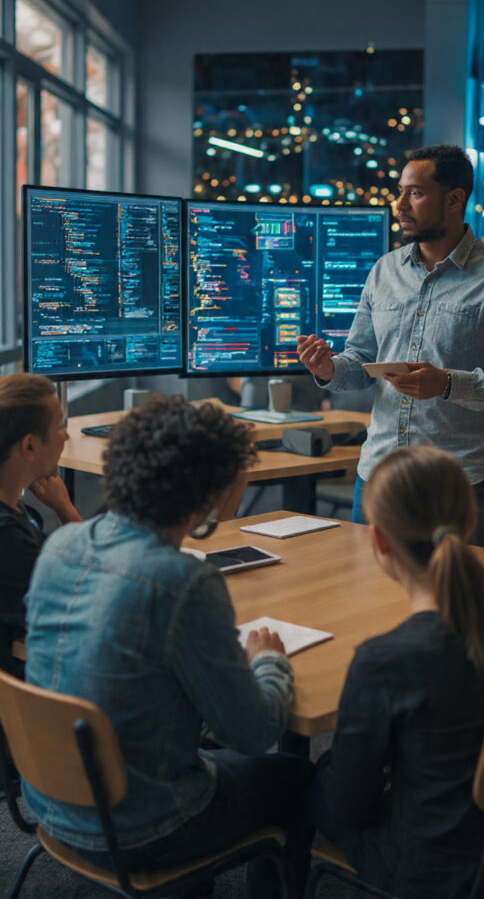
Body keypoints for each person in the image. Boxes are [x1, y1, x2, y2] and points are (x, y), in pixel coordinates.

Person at [23, 396, 312, 898]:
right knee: (297, 775)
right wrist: (268, 663)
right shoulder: (184, 582)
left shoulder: (60, 545)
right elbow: (253, 732)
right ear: (211, 491)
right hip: (143, 826)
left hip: (49, 802)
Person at [307, 445, 484, 899]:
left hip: (435, 869)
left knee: (307, 779)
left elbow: (349, 807)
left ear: (380, 541)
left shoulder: (385, 659)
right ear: (470, 522)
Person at [297, 144, 484, 546]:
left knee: (456, 606)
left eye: (414, 193)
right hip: (378, 478)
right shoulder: (384, 271)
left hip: (456, 486)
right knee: (360, 601)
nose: (399, 205)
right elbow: (361, 361)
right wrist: (328, 369)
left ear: (454, 199)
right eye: (400, 191)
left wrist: (449, 383)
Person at [0, 373, 81, 673]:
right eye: (59, 426)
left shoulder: (15, 517)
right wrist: (67, 511)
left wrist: (62, 507)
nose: (66, 436)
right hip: (27, 708)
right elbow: (89, 595)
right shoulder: (11, 541)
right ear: (30, 446)